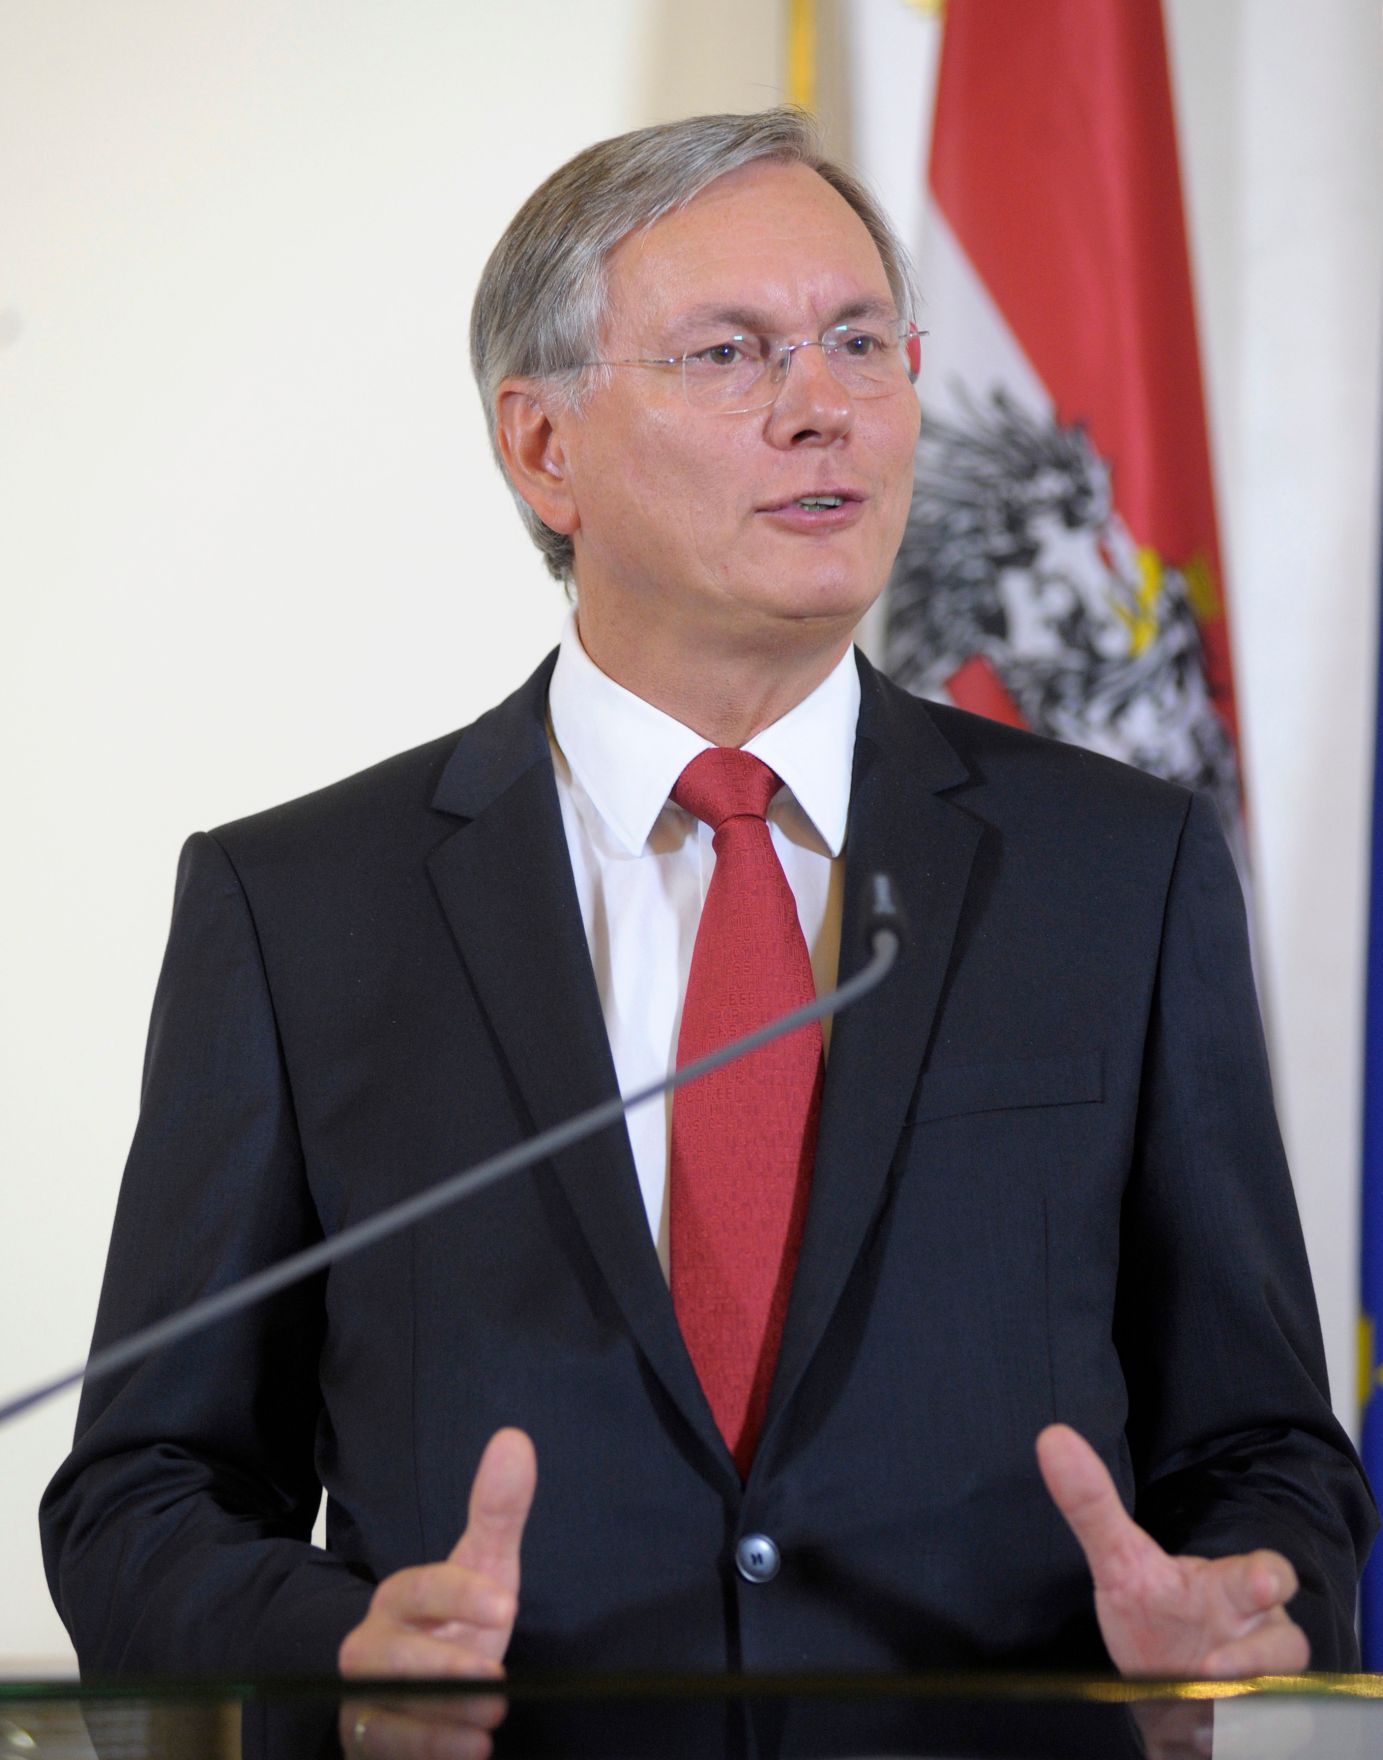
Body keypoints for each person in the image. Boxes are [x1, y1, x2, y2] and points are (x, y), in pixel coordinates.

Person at [42, 110, 1374, 1716]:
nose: (824, 410)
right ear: (544, 447)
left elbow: (1263, 1448)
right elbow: (145, 1496)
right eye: (731, 353)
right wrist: (337, 1657)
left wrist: (1247, 1607)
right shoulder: (301, 908)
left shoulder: (1117, 870)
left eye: (861, 343)